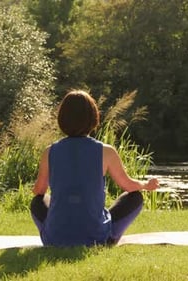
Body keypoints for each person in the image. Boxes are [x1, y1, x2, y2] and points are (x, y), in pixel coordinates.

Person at [30, 90, 159, 247]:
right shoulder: (106, 151)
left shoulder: (49, 152)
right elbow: (129, 186)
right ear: (93, 118)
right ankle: (109, 238)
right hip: (98, 239)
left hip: (54, 239)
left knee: (37, 202)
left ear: (62, 119)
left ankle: (59, 232)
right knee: (135, 197)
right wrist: (146, 185)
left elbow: (39, 191)